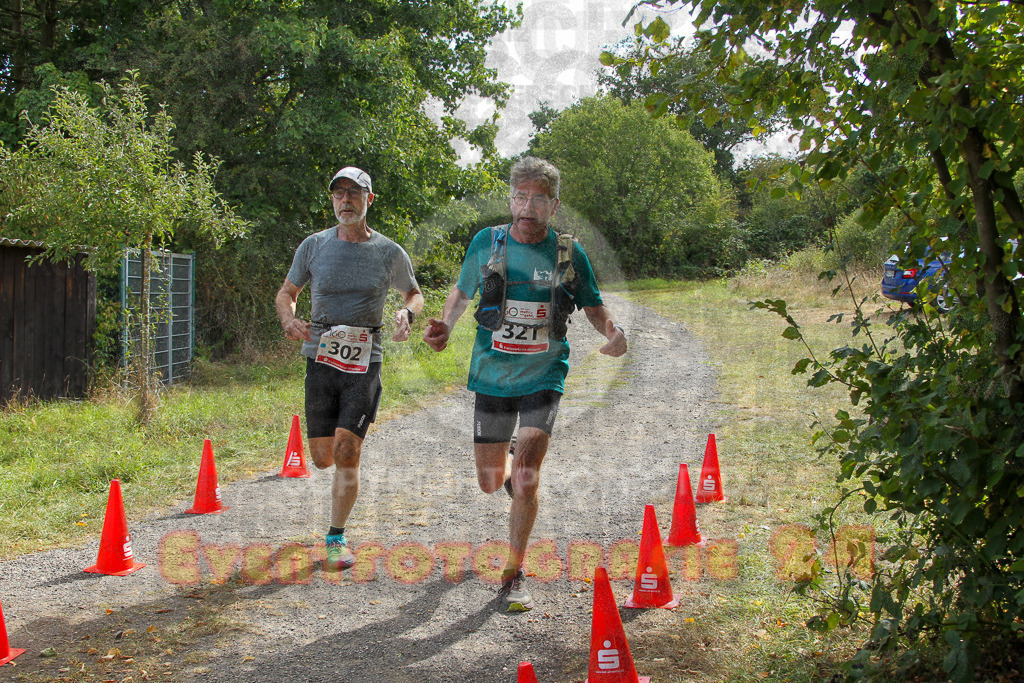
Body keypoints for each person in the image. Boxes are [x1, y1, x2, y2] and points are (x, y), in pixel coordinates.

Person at [423, 157, 627, 611]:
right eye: (520, 196)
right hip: (492, 374)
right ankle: (511, 468)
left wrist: (612, 332)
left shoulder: (569, 254)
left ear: (554, 205)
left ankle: (513, 573)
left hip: (544, 374)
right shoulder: (487, 242)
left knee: (527, 476)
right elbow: (462, 292)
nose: (527, 207)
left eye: (538, 199)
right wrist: (447, 325)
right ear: (510, 199)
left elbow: (594, 307)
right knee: (490, 481)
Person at [275, 166, 423, 570]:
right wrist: (288, 319)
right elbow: (288, 292)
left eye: (354, 193)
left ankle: (336, 536)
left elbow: (413, 293)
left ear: (368, 200)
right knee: (323, 457)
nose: (345, 200)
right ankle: (335, 512)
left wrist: (407, 313)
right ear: (332, 200)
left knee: (347, 450)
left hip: (365, 361)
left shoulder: (388, 252)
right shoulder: (314, 246)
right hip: (320, 359)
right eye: (339, 194)